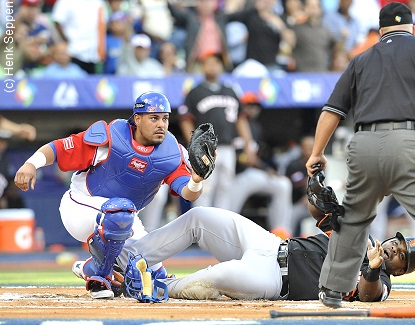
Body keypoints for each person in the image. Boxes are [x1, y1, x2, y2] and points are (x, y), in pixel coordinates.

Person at [305, 2, 415, 314]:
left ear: (381, 30)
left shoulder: (361, 58)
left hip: (363, 144)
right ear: (412, 28)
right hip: (409, 141)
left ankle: (331, 289)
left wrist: (317, 153)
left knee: (354, 218)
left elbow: (332, 110)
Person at [14, 91, 209, 299]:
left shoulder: (171, 153)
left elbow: (188, 194)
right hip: (80, 207)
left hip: (123, 218)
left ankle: (91, 267)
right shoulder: (111, 137)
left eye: (165, 118)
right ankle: (100, 276)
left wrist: (197, 180)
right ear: (137, 119)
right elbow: (60, 148)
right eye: (154, 118)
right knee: (120, 212)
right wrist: (31, 164)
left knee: (154, 275)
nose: (161, 124)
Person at [106, 201, 415, 301]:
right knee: (200, 217)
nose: (395, 249)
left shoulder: (381, 281)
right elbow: (322, 218)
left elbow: (369, 295)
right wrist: (321, 201)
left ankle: (153, 288)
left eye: (401, 256)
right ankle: (124, 258)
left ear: (399, 269)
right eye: (398, 243)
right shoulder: (361, 240)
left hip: (273, 280)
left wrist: (371, 267)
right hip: (270, 244)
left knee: (218, 276)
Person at [178, 52, 256, 210]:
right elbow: (186, 120)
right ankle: (202, 226)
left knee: (225, 189)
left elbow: (241, 119)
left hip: (228, 146)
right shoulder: (195, 92)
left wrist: (248, 144)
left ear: (221, 66)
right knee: (204, 188)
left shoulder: (230, 90)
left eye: (216, 63)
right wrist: (194, 145)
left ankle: (220, 228)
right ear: (202, 67)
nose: (212, 66)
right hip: (205, 149)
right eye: (209, 63)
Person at [227, 92, 293, 237]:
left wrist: (266, 169)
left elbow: (254, 157)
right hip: (232, 176)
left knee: (283, 184)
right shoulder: (230, 125)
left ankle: (280, 233)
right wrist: (248, 160)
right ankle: (224, 236)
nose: (251, 109)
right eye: (248, 105)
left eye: (255, 106)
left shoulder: (256, 128)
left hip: (250, 174)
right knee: (227, 212)